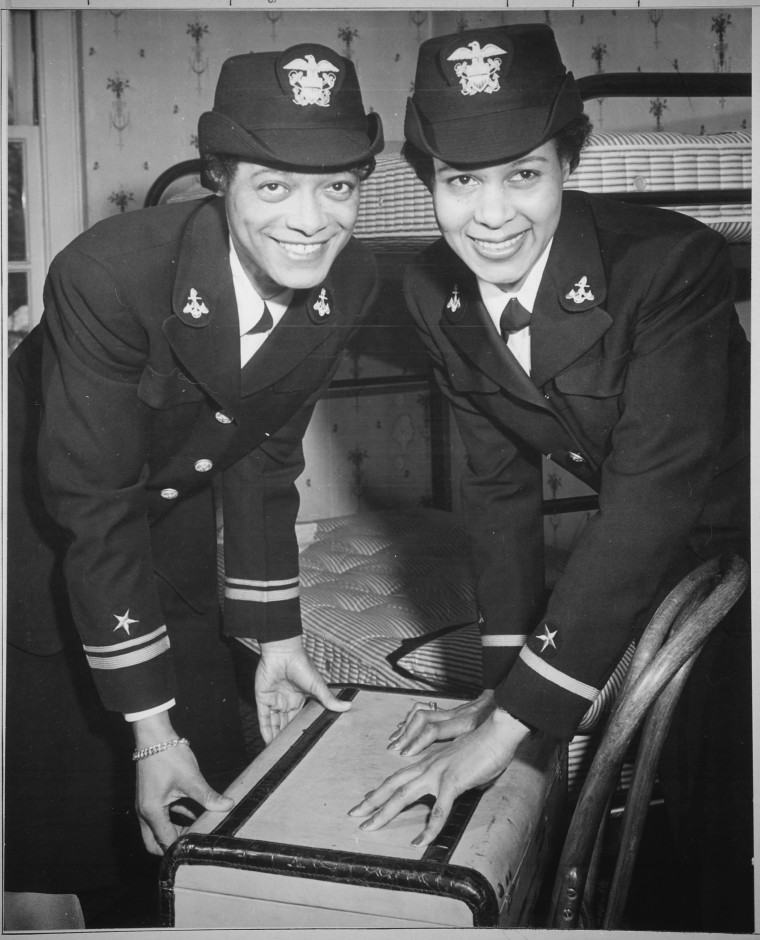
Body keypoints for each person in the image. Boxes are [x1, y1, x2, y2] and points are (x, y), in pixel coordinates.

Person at [348, 24, 751, 932]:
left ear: (570, 164)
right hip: (670, 560)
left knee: (729, 804)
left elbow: (652, 494)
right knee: (680, 815)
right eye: (460, 181)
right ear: (430, 184)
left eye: (522, 175)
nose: (491, 215)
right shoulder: (430, 293)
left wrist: (515, 722)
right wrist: (504, 683)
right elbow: (495, 489)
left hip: (738, 537)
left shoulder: (670, 266)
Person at [5, 43, 383, 930]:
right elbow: (92, 505)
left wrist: (275, 635)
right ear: (220, 182)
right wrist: (150, 730)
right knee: (74, 807)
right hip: (35, 513)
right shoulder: (107, 273)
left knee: (204, 788)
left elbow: (265, 452)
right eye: (275, 186)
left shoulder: (349, 282)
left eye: (339, 187)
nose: (312, 221)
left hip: (170, 499)